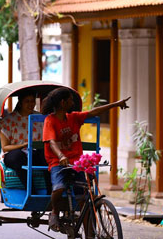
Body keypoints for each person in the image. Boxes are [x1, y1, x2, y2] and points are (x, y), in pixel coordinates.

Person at [42, 87, 130, 232]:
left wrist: (115, 104)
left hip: (77, 163)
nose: (72, 102)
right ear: (63, 102)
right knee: (59, 187)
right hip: (58, 162)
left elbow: (94, 112)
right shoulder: (50, 121)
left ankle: (89, 234)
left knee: (86, 197)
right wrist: (61, 156)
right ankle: (54, 213)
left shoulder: (74, 117)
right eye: (70, 100)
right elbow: (51, 142)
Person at [0, 90, 51, 194]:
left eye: (32, 101)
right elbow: (5, 147)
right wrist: (23, 145)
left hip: (35, 153)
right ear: (20, 102)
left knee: (46, 155)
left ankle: (50, 193)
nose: (30, 104)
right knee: (18, 156)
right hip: (14, 155)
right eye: (27, 101)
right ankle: (31, 192)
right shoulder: (8, 121)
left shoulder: (40, 118)